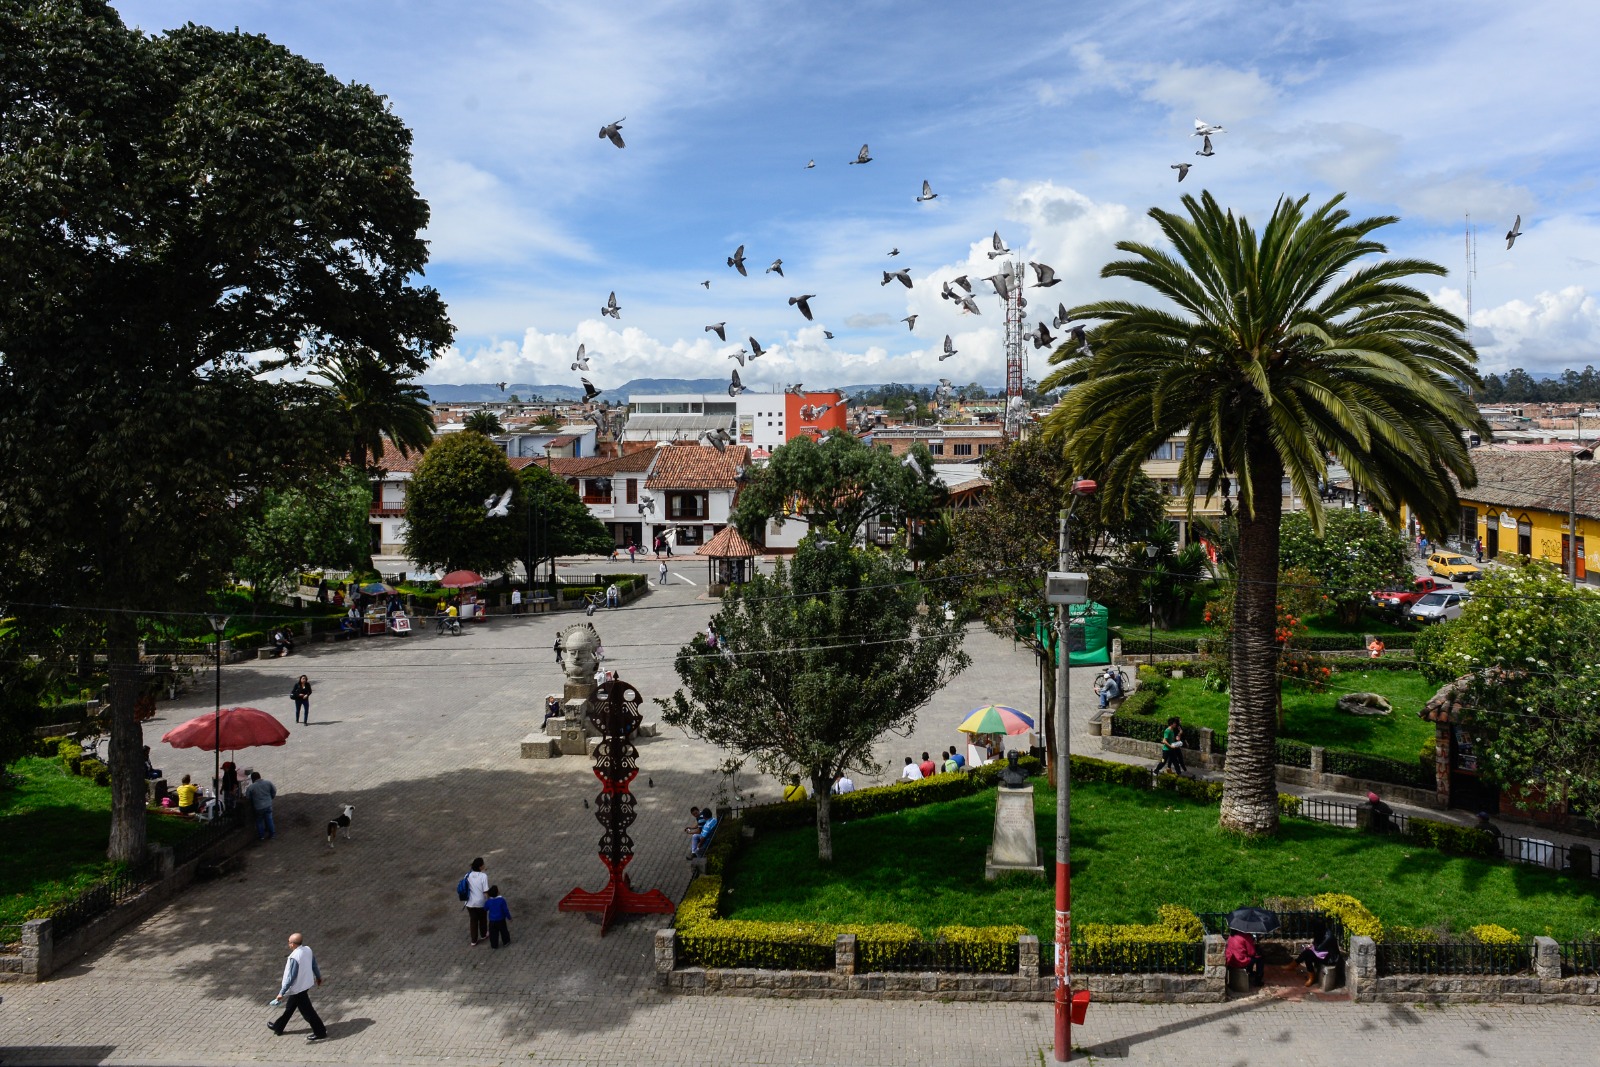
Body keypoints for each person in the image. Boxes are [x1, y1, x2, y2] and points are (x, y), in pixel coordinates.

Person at [267, 932, 327, 1043]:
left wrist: (281, 992)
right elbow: (314, 964)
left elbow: (291, 977)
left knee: (308, 1012)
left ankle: (320, 1032)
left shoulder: (294, 957)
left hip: (298, 989)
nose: (288, 944)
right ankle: (278, 1027)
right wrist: (318, 977)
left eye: (289, 942)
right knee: (290, 1008)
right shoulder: (308, 950)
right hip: (305, 984)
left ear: (293, 944)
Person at [1296, 918, 1343, 986]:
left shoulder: (1329, 937)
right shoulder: (1321, 933)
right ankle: (1297, 966)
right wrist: (1312, 946)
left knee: (1307, 954)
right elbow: (1316, 944)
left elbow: (1318, 948)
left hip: (1330, 959)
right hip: (1323, 954)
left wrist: (1312, 947)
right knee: (1307, 954)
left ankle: (1310, 977)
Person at [464, 857, 490, 946]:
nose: (484, 865)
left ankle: (473, 940)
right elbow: (485, 891)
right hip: (480, 902)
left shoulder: (468, 875)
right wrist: (488, 901)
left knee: (473, 920)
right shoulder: (483, 876)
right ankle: (483, 934)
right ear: (480, 867)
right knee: (482, 918)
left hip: (469, 903)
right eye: (483, 864)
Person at [245, 771, 277, 840]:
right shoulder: (268, 783)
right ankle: (272, 834)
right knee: (269, 819)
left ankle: (261, 836)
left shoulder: (251, 787)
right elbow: (274, 791)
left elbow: (247, 797)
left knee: (259, 821)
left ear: (253, 779)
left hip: (258, 807)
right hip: (268, 805)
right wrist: (271, 797)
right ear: (260, 776)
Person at [485, 885, 512, 949]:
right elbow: (505, 910)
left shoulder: (489, 901)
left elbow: (485, 908)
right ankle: (506, 942)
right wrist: (509, 917)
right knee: (504, 931)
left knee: (493, 933)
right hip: (501, 919)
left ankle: (494, 945)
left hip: (492, 920)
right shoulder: (501, 900)